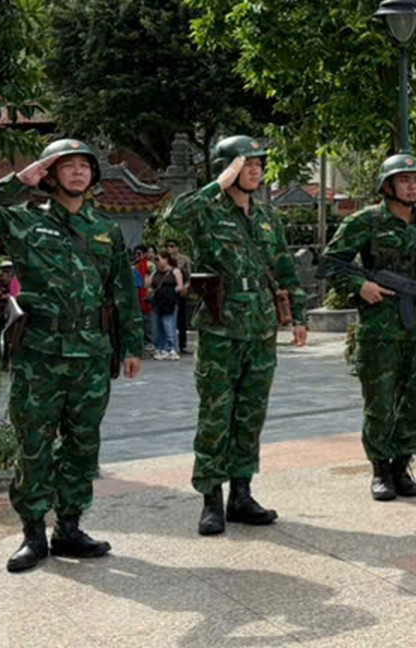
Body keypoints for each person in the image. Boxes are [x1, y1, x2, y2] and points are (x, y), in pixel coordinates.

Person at [0, 138, 143, 573]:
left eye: (84, 166)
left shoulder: (105, 228)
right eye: (67, 166)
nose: (78, 172)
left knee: (82, 444)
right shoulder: (23, 222)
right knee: (35, 443)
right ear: (50, 174)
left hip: (92, 355)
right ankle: (33, 533)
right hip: (40, 353)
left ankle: (70, 528)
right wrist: (17, 182)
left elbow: (122, 294)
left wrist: (130, 345)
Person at [165, 135, 309, 536]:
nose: (255, 170)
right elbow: (173, 218)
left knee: (250, 414)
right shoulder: (208, 213)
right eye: (245, 164)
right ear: (226, 168)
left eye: (258, 164)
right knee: (216, 413)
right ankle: (211, 497)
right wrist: (217, 184)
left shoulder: (266, 217)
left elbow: (284, 268)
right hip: (221, 328)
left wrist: (298, 315)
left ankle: (241, 494)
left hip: (261, 328)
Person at [325, 152, 416, 502]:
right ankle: (380, 469)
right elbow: (332, 263)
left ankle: (402, 464)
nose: (411, 187)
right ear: (388, 185)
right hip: (380, 329)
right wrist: (359, 286)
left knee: (414, 401)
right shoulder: (366, 222)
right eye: (404, 180)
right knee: (379, 403)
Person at [149, 254, 182, 360]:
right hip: (157, 302)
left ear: (166, 259)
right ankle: (159, 347)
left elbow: (180, 286)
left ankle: (171, 348)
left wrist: (170, 292)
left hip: (169, 302)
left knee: (169, 324)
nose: (158, 261)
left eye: (159, 259)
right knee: (157, 326)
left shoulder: (175, 271)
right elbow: (149, 284)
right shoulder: (156, 272)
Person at [164, 240, 193, 355]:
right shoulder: (165, 259)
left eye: (172, 246)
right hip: (169, 290)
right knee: (168, 317)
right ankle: (169, 345)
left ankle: (182, 344)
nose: (169, 249)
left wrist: (185, 288)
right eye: (167, 246)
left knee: (181, 318)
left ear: (177, 247)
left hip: (181, 291)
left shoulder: (184, 260)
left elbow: (190, 276)